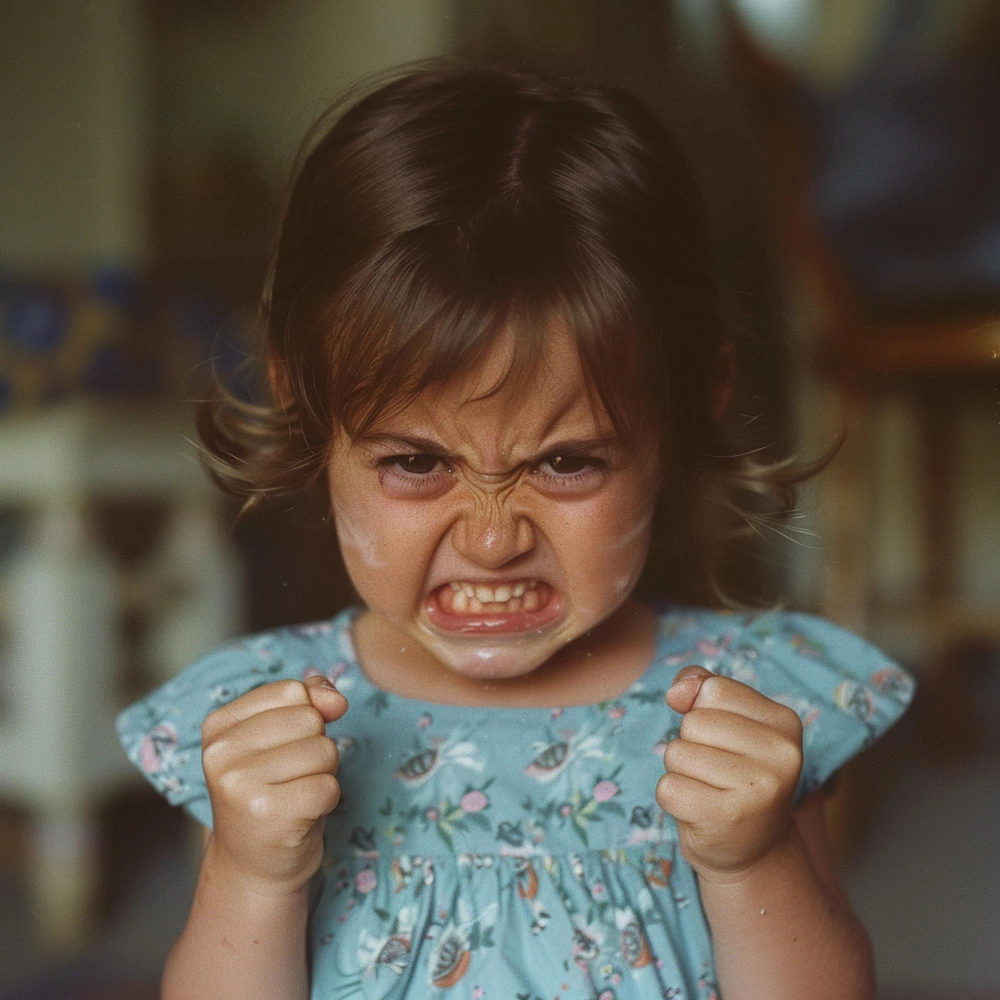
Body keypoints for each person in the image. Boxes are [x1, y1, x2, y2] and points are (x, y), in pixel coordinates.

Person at [116, 58, 916, 1000]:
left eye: (566, 462)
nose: (493, 541)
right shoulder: (260, 722)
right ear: (306, 404)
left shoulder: (745, 708)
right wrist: (250, 877)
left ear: (697, 404)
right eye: (417, 462)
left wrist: (756, 862)